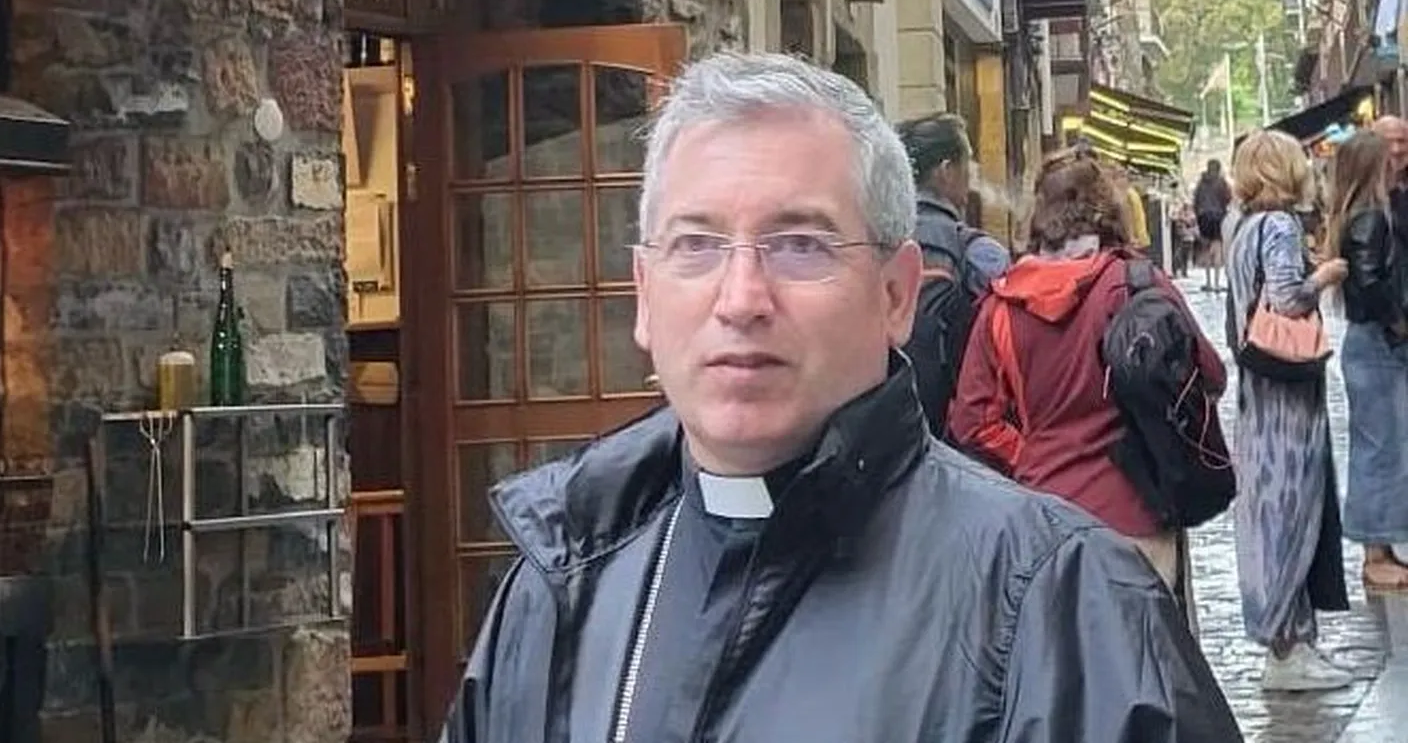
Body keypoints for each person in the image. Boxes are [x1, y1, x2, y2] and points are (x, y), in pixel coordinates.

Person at [440, 52, 1240, 742]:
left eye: (799, 245)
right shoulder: (560, 583)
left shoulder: (1065, 607)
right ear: (644, 295)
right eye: (697, 244)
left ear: (895, 294)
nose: (741, 298)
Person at [948, 147, 1225, 593]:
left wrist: (1032, 454)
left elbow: (972, 421)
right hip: (1136, 517)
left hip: (1043, 522)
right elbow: (1210, 375)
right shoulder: (1137, 285)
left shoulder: (1001, 306)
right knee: (1144, 640)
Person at [1224, 130, 1352, 692]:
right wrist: (1324, 275)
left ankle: (1291, 637)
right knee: (1292, 507)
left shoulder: (1241, 226)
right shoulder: (1277, 225)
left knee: (1269, 510)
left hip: (1259, 388)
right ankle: (1287, 643)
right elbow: (1286, 297)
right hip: (1287, 394)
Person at [1324, 129, 1408, 589]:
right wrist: (1398, 322)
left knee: (1383, 444)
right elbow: (1370, 279)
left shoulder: (1359, 214)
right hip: (1378, 343)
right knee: (1380, 447)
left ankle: (1381, 544)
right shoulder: (1371, 217)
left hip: (1371, 341)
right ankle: (1375, 551)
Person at [894, 112, 1010, 435]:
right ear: (946, 171)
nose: (972, 175)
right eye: (967, 163)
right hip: (954, 431)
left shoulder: (870, 242)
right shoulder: (979, 253)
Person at [1194, 159, 1233, 291]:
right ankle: (1217, 283)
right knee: (1217, 247)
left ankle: (1208, 282)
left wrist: (1199, 215)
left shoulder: (1201, 183)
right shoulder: (1221, 182)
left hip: (1203, 216)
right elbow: (1228, 198)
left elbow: (1196, 200)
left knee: (1205, 248)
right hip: (1218, 216)